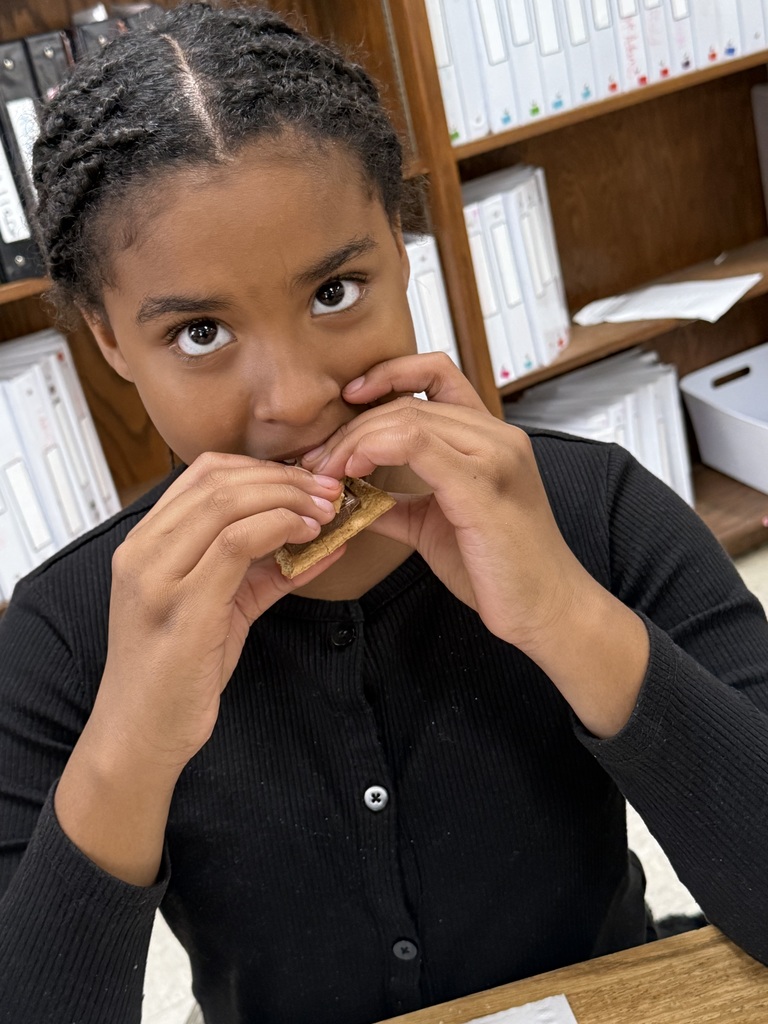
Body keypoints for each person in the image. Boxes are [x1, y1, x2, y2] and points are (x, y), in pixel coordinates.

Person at [0, 2, 766, 1021]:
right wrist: (131, 736)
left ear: (404, 256)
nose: (293, 396)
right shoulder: (71, 626)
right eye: (197, 332)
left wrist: (563, 611)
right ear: (107, 342)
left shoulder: (593, 505)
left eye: (334, 292)